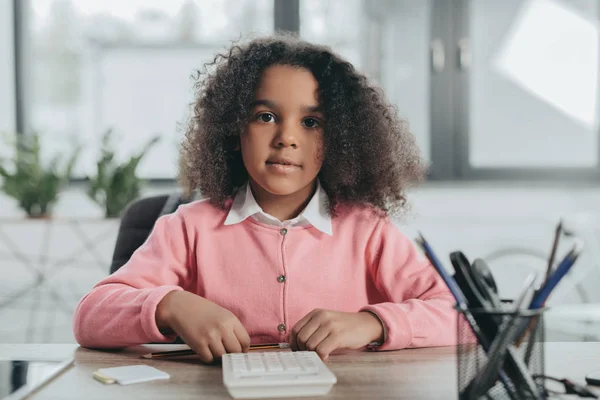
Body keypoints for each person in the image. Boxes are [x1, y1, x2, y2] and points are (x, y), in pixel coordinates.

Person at [73, 35, 457, 363]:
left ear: (340, 139)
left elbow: (461, 317)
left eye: (311, 122)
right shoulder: (187, 228)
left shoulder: (368, 230)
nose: (286, 138)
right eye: (265, 116)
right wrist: (171, 305)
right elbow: (89, 316)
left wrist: (373, 323)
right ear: (233, 128)